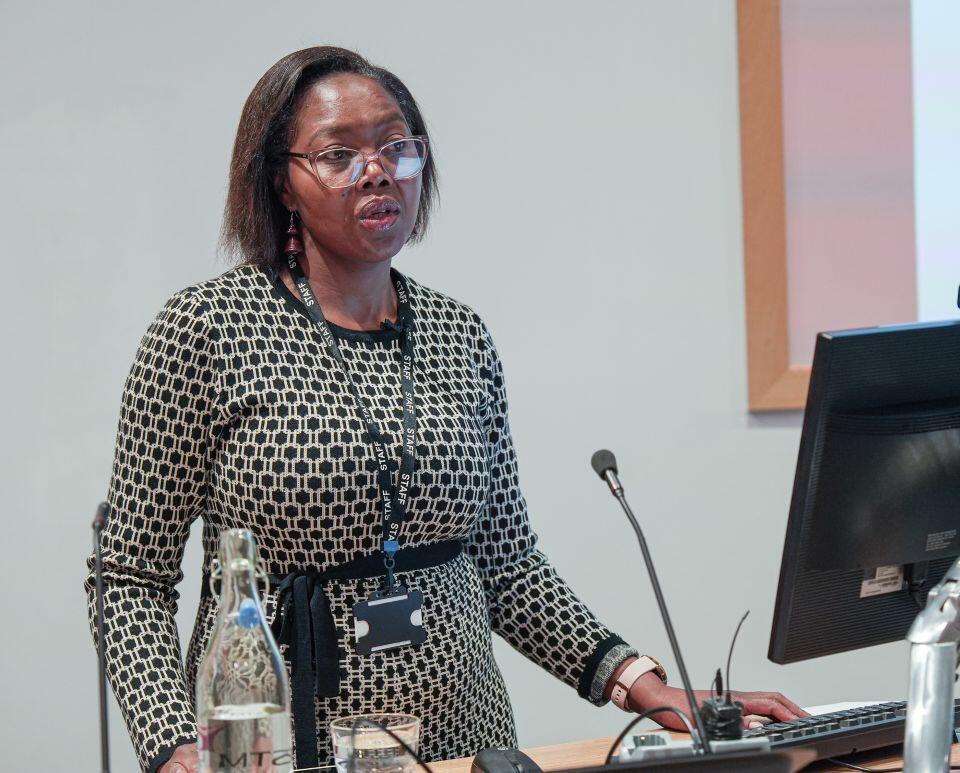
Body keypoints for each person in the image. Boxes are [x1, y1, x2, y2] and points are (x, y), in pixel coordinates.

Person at [86, 46, 805, 773]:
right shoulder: (206, 329)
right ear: (283, 183)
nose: (377, 169)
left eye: (397, 146)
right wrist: (173, 743)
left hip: (466, 741)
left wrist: (642, 684)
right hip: (279, 746)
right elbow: (130, 578)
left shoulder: (457, 334)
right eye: (339, 154)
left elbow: (508, 563)